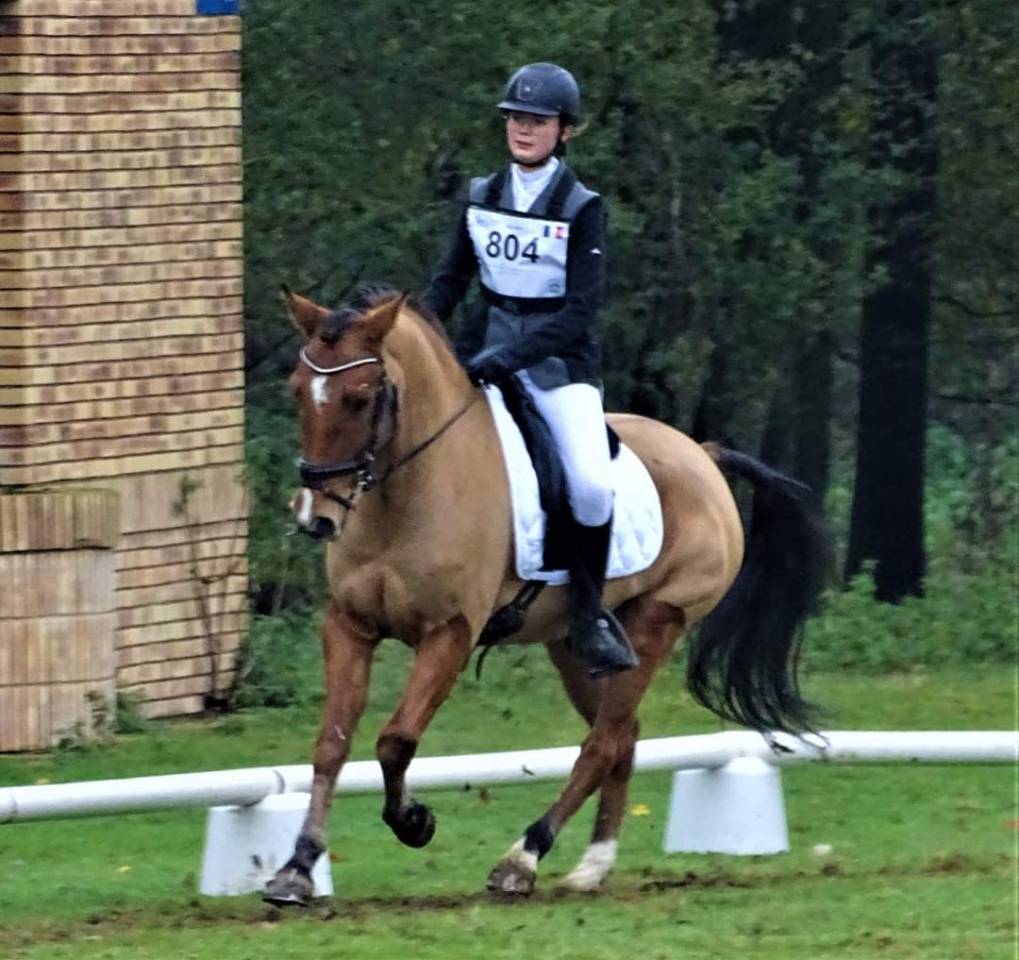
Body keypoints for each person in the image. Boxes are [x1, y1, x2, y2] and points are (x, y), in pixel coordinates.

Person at [420, 62, 638, 679]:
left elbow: (580, 312)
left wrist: (509, 357)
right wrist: (412, 337)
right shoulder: (482, 195)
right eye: (516, 118)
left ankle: (591, 615)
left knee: (592, 485)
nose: (523, 128)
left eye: (537, 121)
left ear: (564, 131)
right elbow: (449, 282)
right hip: (482, 355)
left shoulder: (582, 206)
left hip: (557, 368)